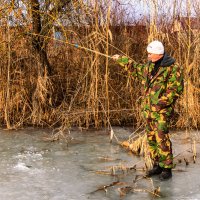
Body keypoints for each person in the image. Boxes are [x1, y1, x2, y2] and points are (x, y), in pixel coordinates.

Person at [112, 40, 184, 180]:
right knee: (151, 137)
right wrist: (120, 59)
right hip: (148, 111)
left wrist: (159, 104)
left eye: (150, 54)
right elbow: (135, 68)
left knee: (161, 137)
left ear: (158, 54)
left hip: (162, 111)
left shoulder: (173, 68)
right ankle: (157, 165)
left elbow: (175, 90)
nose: (148, 56)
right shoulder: (149, 66)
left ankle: (167, 168)